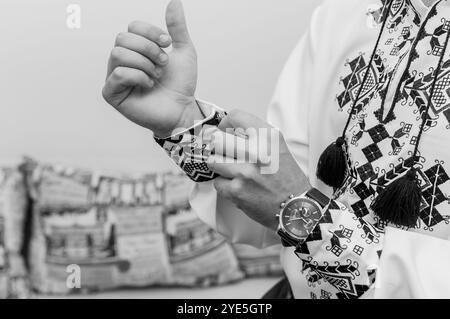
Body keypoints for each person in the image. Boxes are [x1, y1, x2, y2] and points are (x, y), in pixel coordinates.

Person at [102, 0, 450, 298]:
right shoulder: (343, 13)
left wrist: (308, 214)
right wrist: (184, 125)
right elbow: (271, 199)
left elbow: (291, 199)